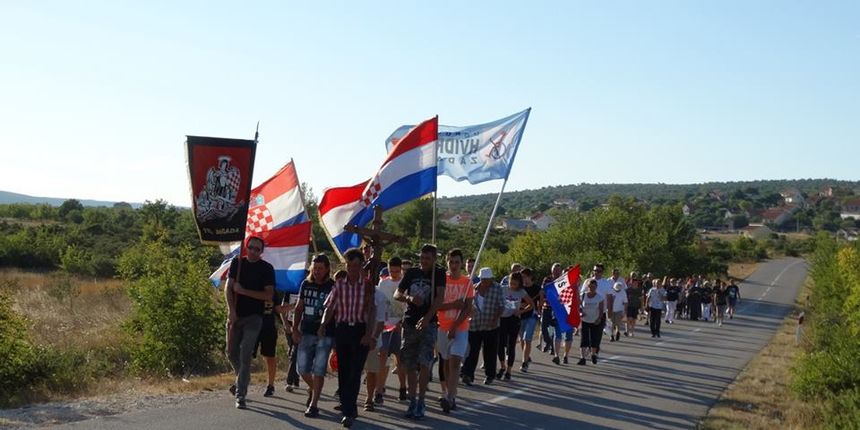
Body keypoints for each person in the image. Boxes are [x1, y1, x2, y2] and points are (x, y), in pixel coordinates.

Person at [319, 248, 375, 428]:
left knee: (355, 371)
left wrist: (368, 333)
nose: (352, 269)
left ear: (361, 266)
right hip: (342, 330)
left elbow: (372, 312)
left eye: (356, 265)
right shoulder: (339, 285)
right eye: (349, 265)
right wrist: (323, 324)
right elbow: (330, 307)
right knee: (343, 372)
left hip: (360, 331)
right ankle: (348, 406)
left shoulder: (367, 286)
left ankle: (349, 411)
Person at [393, 244, 445, 420]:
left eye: (428, 258)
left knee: (424, 362)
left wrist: (428, 317)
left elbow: (440, 297)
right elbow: (397, 294)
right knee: (409, 363)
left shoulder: (438, 273)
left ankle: (422, 401)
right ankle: (412, 400)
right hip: (410, 322)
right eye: (422, 258)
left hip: (428, 324)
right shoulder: (412, 273)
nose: (424, 261)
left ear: (434, 259)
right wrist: (408, 298)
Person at [225, 236, 275, 409]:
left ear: (261, 252)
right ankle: (242, 377)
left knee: (245, 354)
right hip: (236, 315)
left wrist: (244, 291)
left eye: (257, 249)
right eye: (251, 247)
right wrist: (231, 311)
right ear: (246, 247)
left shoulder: (266, 269)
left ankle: (241, 395)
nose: (253, 251)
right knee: (230, 353)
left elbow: (268, 295)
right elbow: (228, 288)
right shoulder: (237, 263)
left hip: (254, 318)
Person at [292, 254, 336, 418]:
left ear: (327, 269)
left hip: (325, 334)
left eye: (320, 268)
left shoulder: (333, 286)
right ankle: (313, 387)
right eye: (314, 268)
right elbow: (298, 308)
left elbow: (334, 310)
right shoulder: (306, 284)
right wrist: (295, 328)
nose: (316, 271)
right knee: (301, 368)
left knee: (319, 369)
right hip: (307, 331)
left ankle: (314, 404)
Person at [435, 249, 473, 413]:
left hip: (460, 328)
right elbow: (436, 305)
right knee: (446, 362)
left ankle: (450, 398)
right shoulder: (441, 281)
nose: (454, 265)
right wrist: (453, 305)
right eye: (451, 262)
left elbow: (468, 308)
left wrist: (455, 326)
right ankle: (447, 392)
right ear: (447, 262)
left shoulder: (467, 283)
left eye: (457, 262)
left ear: (461, 263)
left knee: (455, 362)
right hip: (442, 326)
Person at [462, 268, 504, 386]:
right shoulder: (473, 288)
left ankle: (490, 375)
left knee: (489, 351)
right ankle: (468, 374)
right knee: (472, 351)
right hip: (475, 324)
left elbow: (501, 306)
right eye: (483, 279)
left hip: (491, 325)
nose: (485, 282)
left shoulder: (497, 288)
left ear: (491, 279)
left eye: (487, 280)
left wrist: (495, 319)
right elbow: (467, 304)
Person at [374, 257, 407, 403]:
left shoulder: (405, 283)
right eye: (391, 271)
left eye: (397, 271)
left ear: (400, 269)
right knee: (383, 357)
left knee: (400, 360)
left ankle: (402, 387)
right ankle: (379, 390)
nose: (394, 274)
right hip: (385, 325)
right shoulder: (383, 283)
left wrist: (402, 321)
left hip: (400, 325)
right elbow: (379, 302)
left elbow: (408, 305)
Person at [362, 265, 389, 413]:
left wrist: (373, 337)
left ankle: (369, 398)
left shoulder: (380, 296)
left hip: (372, 339)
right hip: (355, 336)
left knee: (371, 370)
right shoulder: (354, 291)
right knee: (352, 370)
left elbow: (380, 321)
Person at [256, 288, 293, 397]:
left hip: (268, 327)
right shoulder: (251, 287)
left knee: (270, 356)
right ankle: (239, 382)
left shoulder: (272, 291)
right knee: (245, 355)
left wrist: (295, 305)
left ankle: (270, 385)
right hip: (252, 326)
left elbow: (278, 309)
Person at [497, 272, 534, 378]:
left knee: (511, 345)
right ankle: (502, 366)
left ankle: (509, 371)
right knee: (500, 344)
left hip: (514, 319)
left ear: (519, 283)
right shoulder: (503, 289)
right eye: (510, 283)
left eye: (515, 283)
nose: (512, 285)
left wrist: (520, 311)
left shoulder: (521, 292)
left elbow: (531, 304)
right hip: (502, 318)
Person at [578, 278, 605, 365]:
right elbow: (578, 306)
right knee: (584, 339)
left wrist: (599, 319)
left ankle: (593, 355)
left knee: (594, 339)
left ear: (596, 287)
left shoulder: (600, 298)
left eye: (594, 286)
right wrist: (580, 313)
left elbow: (601, 310)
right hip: (585, 320)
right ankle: (582, 358)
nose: (592, 288)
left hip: (595, 321)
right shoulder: (583, 295)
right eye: (590, 286)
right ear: (587, 286)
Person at [518, 268, 541, 372]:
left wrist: (539, 307)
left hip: (532, 315)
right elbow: (516, 300)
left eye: (524, 277)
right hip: (520, 315)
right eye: (521, 277)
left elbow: (540, 301)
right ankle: (526, 356)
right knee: (522, 339)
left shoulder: (536, 288)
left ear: (530, 277)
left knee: (527, 338)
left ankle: (524, 362)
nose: (523, 279)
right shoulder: (520, 288)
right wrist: (521, 304)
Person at [540, 263, 563, 353]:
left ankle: (553, 349)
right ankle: (548, 342)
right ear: (551, 270)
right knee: (544, 326)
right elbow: (542, 291)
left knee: (555, 328)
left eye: (558, 270)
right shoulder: (547, 279)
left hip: (558, 308)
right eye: (555, 270)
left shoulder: (563, 280)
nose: (557, 272)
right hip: (547, 306)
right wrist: (541, 302)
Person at [625, 272, 644, 337]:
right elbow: (625, 298)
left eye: (636, 283)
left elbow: (641, 299)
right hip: (629, 306)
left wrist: (642, 307)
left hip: (636, 306)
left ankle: (631, 331)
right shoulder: (628, 290)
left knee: (633, 319)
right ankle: (627, 330)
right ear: (631, 283)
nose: (635, 284)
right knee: (629, 318)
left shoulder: (639, 290)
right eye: (634, 283)